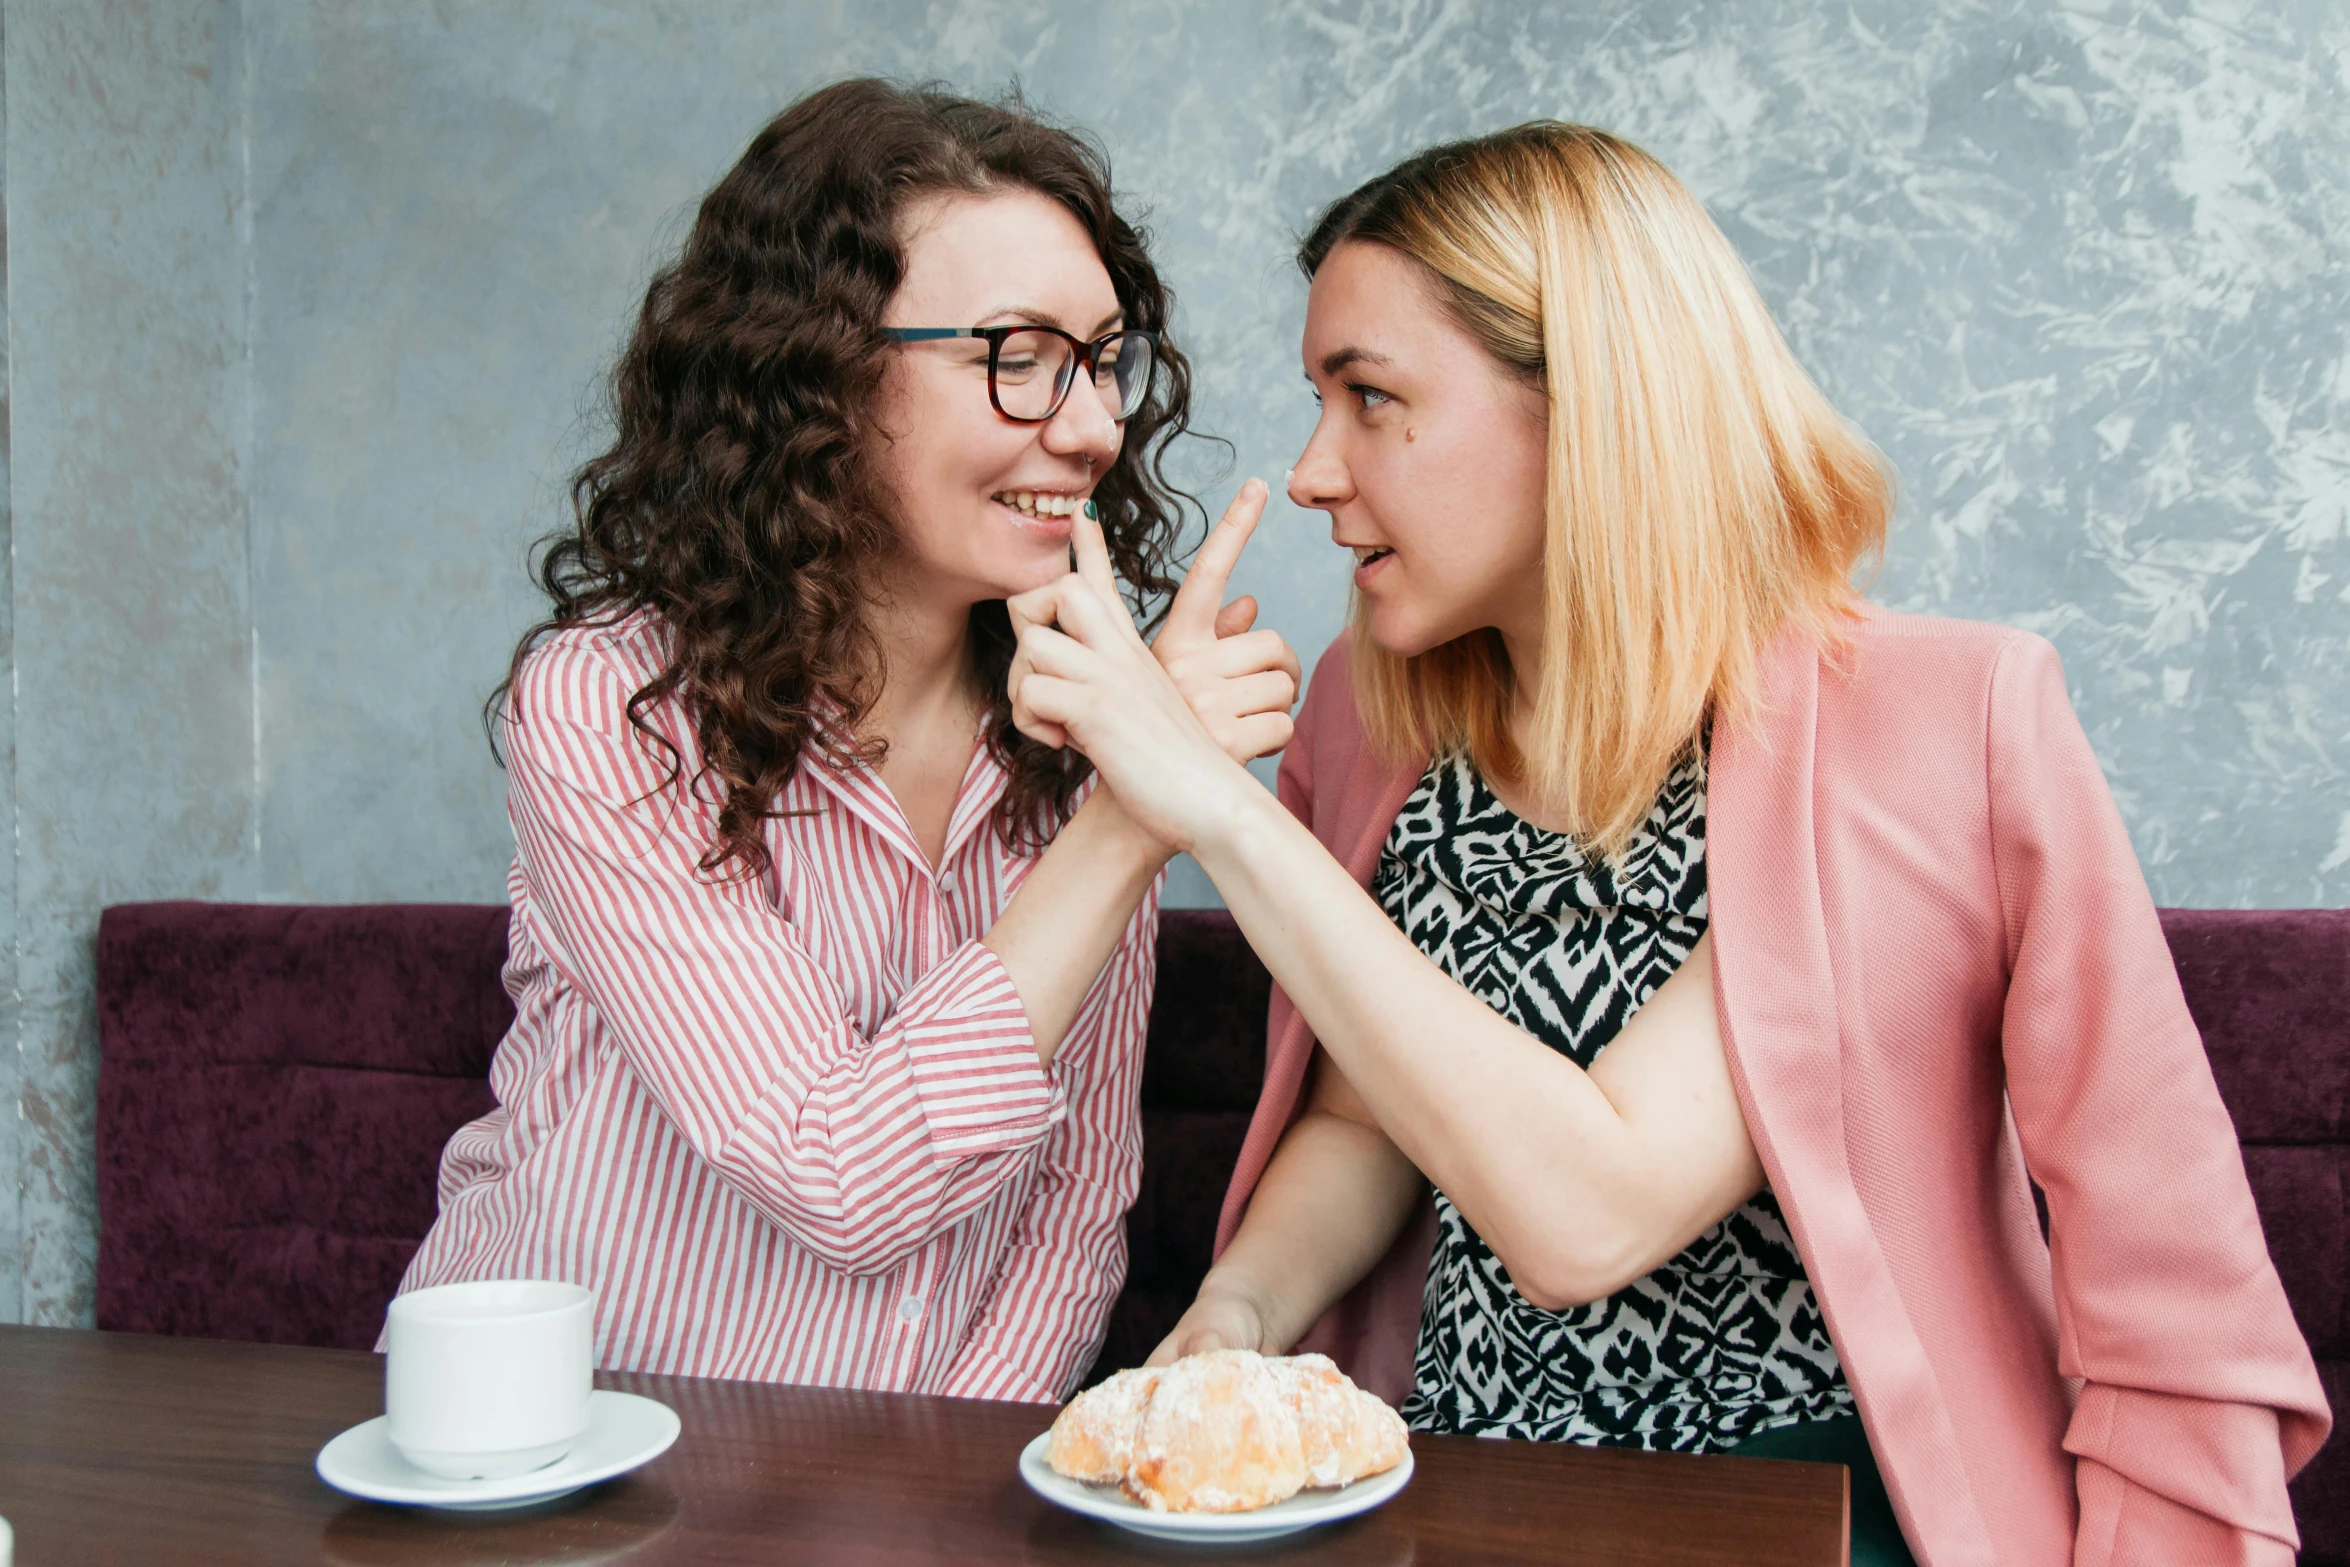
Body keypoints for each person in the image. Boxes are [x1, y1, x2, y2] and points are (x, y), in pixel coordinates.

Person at [1003, 122, 2328, 1562]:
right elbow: (1370, 1111)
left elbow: (1589, 1208)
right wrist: (1238, 1314)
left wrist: (1211, 805)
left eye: (1371, 398)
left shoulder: (1932, 728)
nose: (1314, 471)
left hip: (1812, 1511)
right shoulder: (1368, 717)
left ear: (1590, 406)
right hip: (1452, 1485)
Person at [393, 79, 1298, 1403]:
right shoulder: (605, 704)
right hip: (558, 1458)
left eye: (1102, 358)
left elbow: (1073, 1205)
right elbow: (838, 1173)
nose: (1096, 425)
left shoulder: (1088, 725)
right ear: (814, 375)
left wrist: (929, 1499)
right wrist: (1138, 812)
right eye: (1018, 355)